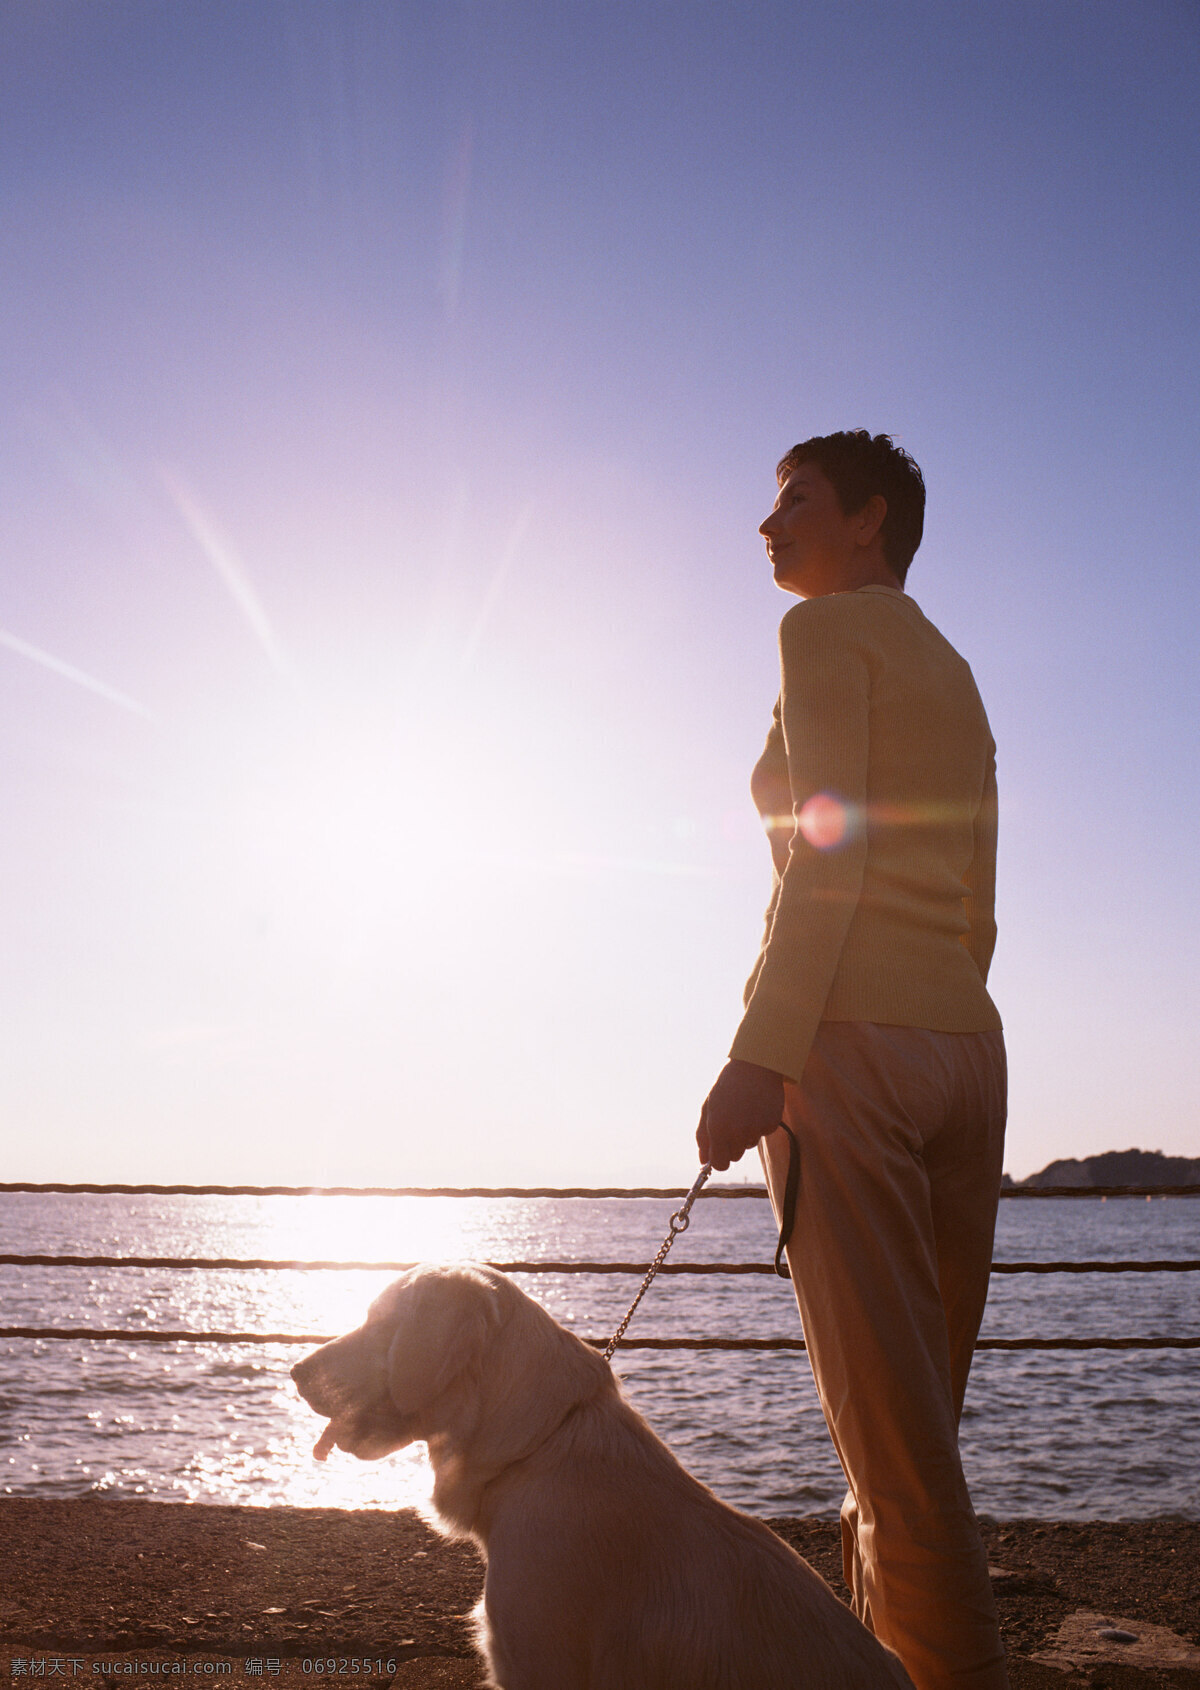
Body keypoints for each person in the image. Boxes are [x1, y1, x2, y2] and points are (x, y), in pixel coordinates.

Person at [697, 431, 1008, 1690]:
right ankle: (886, 1656)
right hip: (968, 1053)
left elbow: (828, 853)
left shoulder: (822, 635)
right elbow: (977, 886)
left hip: (850, 1056)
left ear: (869, 518)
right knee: (918, 1425)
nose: (768, 525)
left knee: (898, 1459)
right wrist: (948, 1005)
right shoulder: (954, 664)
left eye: (797, 501)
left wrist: (758, 1054)